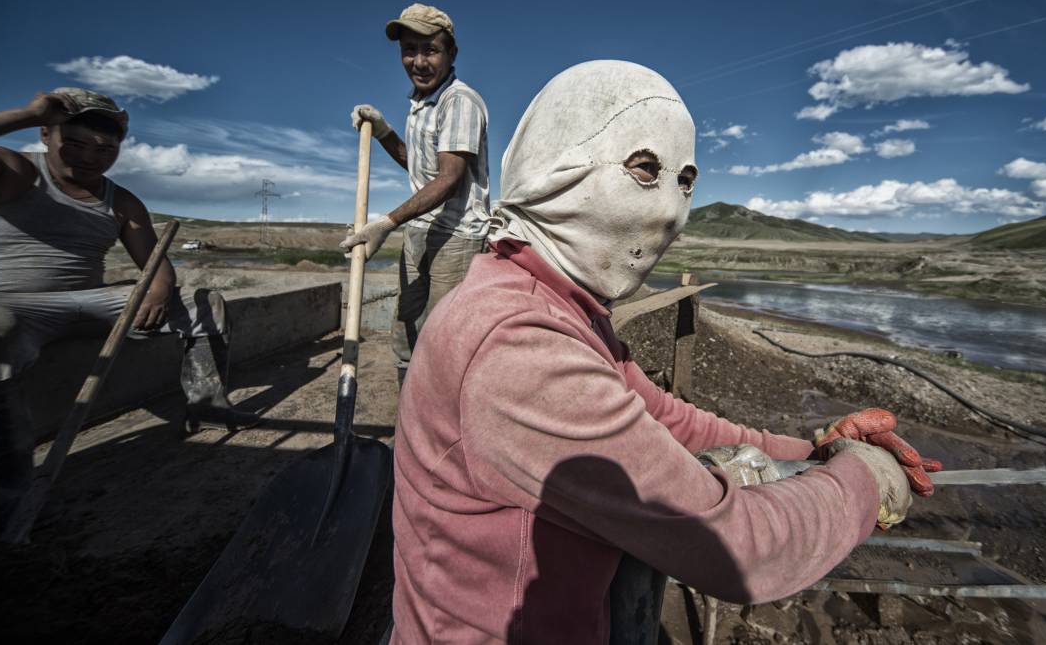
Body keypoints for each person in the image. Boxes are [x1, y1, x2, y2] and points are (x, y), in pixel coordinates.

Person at [388, 61, 941, 643]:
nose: (672, 210)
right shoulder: (518, 344)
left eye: (688, 181)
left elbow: (668, 420)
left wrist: (819, 450)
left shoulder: (560, 307)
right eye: (645, 169)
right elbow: (735, 548)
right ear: (552, 165)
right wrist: (862, 481)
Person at [0, 88, 252, 538]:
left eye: (105, 149)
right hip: (3, 303)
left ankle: (208, 406)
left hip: (87, 301)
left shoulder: (119, 200)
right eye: (75, 143)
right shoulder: (13, 170)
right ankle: (5, 496)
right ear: (46, 134)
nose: (90, 158)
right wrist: (25, 112)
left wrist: (159, 291)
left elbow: (155, 262)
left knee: (205, 305)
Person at [342, 3, 490, 381]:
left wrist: (386, 223)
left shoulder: (458, 100)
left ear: (451, 53)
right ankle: (407, 415)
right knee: (407, 331)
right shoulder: (420, 103)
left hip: (456, 236)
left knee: (443, 342)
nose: (419, 61)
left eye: (431, 50)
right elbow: (422, 168)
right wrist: (384, 131)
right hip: (419, 232)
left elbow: (448, 179)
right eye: (410, 49)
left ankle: (440, 429)